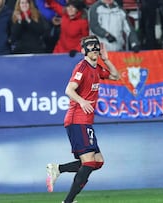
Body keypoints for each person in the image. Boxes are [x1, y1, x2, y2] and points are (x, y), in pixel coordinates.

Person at [45, 35, 119, 203]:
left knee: (98, 162)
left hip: (85, 121)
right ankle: (68, 201)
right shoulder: (82, 67)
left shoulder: (97, 68)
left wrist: (106, 60)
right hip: (77, 119)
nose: (94, 49)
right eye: (90, 46)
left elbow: (115, 76)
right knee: (89, 162)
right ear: (83, 50)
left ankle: (58, 169)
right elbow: (69, 90)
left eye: (96, 46)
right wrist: (82, 100)